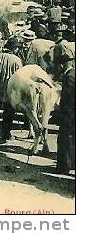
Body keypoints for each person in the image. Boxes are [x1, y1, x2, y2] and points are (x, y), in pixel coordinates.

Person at [52, 42, 75, 175]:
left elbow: (68, 99)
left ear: (61, 65)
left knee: (64, 139)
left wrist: (60, 112)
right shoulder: (76, 73)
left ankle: (63, 167)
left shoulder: (68, 77)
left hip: (70, 114)